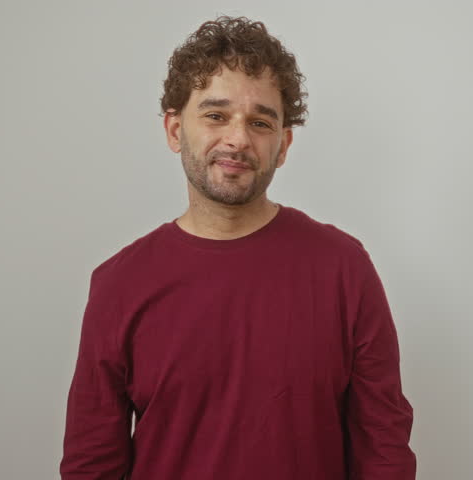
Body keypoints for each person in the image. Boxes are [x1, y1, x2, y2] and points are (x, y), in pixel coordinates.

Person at [59, 15, 416, 480]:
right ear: (173, 130)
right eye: (215, 115)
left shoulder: (344, 269)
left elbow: (383, 448)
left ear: (283, 145)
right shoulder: (118, 284)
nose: (238, 139)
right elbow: (92, 464)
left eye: (261, 122)